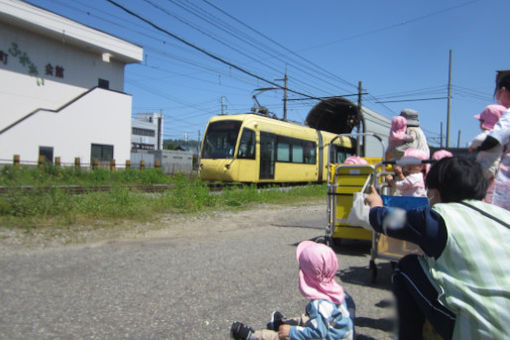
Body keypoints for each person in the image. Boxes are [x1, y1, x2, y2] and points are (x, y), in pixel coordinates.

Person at [365, 157, 510, 339]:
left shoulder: (436, 219)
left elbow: (383, 219)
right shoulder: (504, 216)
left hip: (479, 331)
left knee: (407, 267)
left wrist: (375, 204)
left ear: (434, 192)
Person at [230, 240, 354, 340]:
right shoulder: (342, 295)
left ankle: (255, 336)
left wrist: (292, 331)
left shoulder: (320, 305)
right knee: (310, 318)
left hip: (323, 334)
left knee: (285, 337)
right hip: (341, 334)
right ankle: (282, 323)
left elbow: (318, 333)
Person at [475, 71, 510, 210]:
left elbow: (495, 139)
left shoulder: (508, 115)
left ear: (502, 91)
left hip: (503, 185)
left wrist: (478, 146)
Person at [468, 104, 506, 203]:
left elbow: (478, 139)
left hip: (484, 167)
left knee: (478, 190)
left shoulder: (491, 135)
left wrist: (472, 146)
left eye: (481, 121)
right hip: (495, 169)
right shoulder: (504, 137)